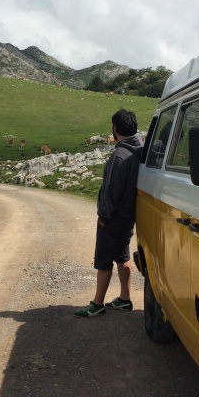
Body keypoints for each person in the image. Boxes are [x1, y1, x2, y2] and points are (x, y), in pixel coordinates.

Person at [74, 109, 143, 317]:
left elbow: (112, 190)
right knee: (122, 256)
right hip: (129, 216)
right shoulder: (141, 151)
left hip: (114, 218)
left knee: (104, 260)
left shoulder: (119, 156)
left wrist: (104, 215)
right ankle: (124, 298)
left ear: (115, 129)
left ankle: (97, 304)